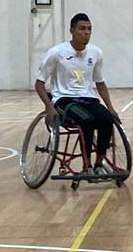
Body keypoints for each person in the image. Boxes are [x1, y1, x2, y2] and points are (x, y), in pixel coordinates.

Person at [35, 13, 120, 176]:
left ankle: (98, 164)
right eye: (82, 28)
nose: (86, 32)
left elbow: (100, 83)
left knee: (107, 120)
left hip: (89, 99)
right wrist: (49, 106)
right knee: (86, 121)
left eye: (89, 29)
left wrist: (110, 107)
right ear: (72, 30)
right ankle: (86, 166)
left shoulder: (96, 53)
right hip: (65, 100)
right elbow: (39, 83)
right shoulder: (57, 52)